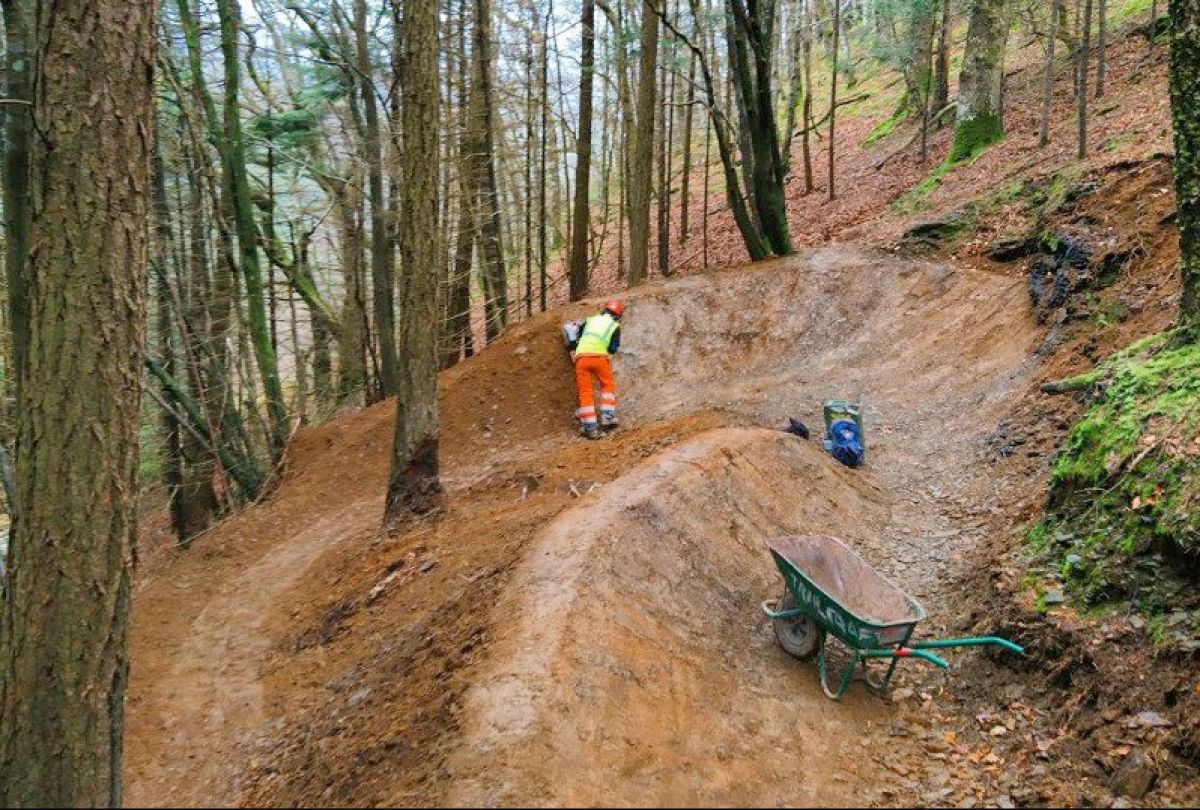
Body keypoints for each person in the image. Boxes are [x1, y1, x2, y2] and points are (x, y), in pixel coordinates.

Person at [568, 300, 623, 439]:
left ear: (604, 311)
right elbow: (612, 348)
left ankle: (590, 428)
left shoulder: (590, 320)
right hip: (599, 358)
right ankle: (607, 417)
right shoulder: (614, 326)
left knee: (585, 392)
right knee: (607, 385)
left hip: (581, 358)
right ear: (617, 316)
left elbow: (576, 335)